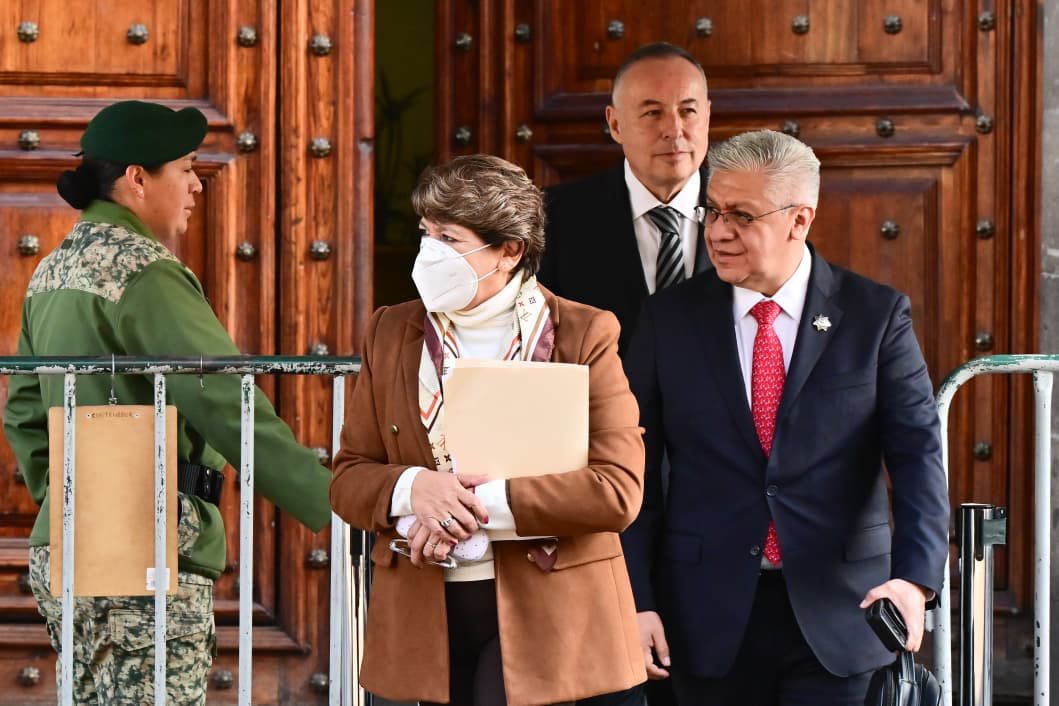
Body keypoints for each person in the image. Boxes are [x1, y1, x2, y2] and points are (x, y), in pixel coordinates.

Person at [2, 100, 333, 705]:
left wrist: (69, 496)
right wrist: (333, 499)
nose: (197, 185)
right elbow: (224, 400)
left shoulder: (53, 269)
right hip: (145, 549)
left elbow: (23, 411)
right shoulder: (145, 271)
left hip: (69, 544)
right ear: (136, 178)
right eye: (185, 168)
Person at [620, 129, 950, 706]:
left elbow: (917, 456)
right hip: (702, 617)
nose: (719, 232)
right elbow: (634, 469)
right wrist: (636, 598)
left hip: (843, 612)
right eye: (714, 211)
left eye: (742, 216)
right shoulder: (668, 319)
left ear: (801, 220)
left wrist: (914, 581)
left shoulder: (875, 316)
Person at [330, 154, 646, 706]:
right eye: (426, 233)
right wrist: (414, 490)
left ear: (510, 249)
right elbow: (348, 477)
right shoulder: (390, 329)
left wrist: (472, 503)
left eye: (449, 238)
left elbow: (616, 490)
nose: (430, 252)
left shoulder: (582, 333)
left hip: (549, 615)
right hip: (421, 614)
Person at [538, 42, 712, 356]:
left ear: (708, 115)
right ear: (615, 124)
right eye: (652, 113)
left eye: (688, 111)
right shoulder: (555, 218)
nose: (674, 130)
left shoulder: (750, 212)